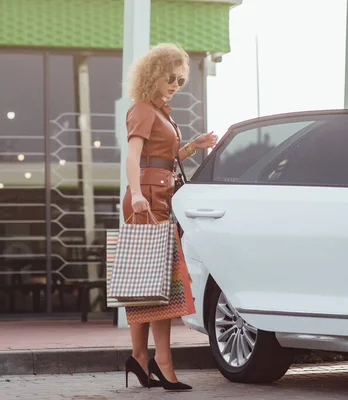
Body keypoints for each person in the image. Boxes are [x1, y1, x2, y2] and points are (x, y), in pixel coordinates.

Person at [121, 43, 217, 391]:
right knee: (156, 284)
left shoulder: (160, 111)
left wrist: (194, 145)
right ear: (153, 75)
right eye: (170, 77)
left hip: (160, 195)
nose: (176, 83)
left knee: (154, 285)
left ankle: (144, 359)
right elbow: (134, 156)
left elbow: (165, 154)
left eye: (180, 79)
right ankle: (157, 360)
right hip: (147, 197)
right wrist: (135, 194)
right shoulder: (143, 109)